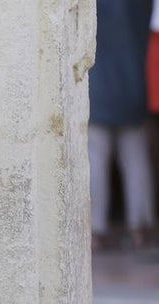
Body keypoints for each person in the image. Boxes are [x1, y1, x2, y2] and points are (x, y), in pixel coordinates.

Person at [89, 0, 155, 252]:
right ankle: (139, 227)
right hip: (133, 85)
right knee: (136, 160)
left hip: (97, 89)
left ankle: (95, 228)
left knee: (95, 160)